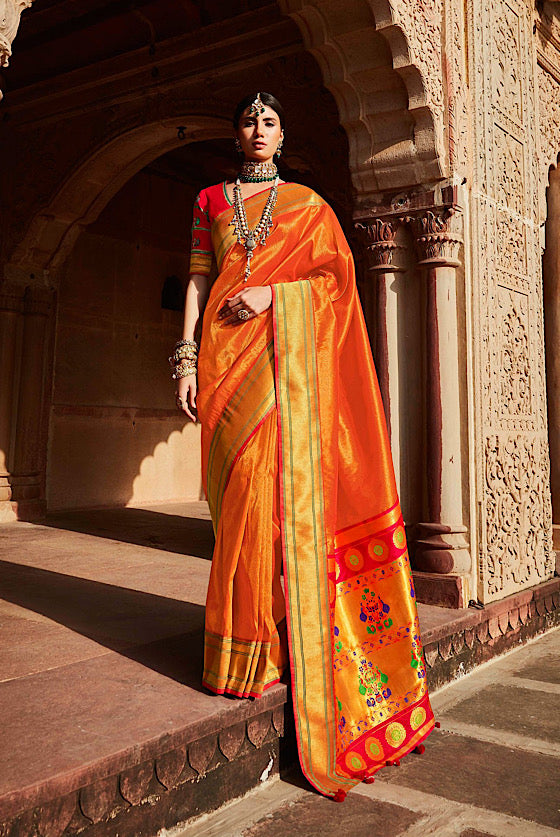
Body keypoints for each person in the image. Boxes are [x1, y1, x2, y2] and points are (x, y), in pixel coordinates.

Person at [171, 92, 434, 801]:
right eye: (249, 121)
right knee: (231, 502)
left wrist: (270, 295)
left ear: (282, 136)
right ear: (236, 133)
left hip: (278, 354)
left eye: (269, 122)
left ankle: (270, 645)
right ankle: (237, 646)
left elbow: (334, 280)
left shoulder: (309, 208)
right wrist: (187, 358)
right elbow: (198, 279)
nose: (257, 130)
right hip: (225, 360)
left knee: (272, 496)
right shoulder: (208, 202)